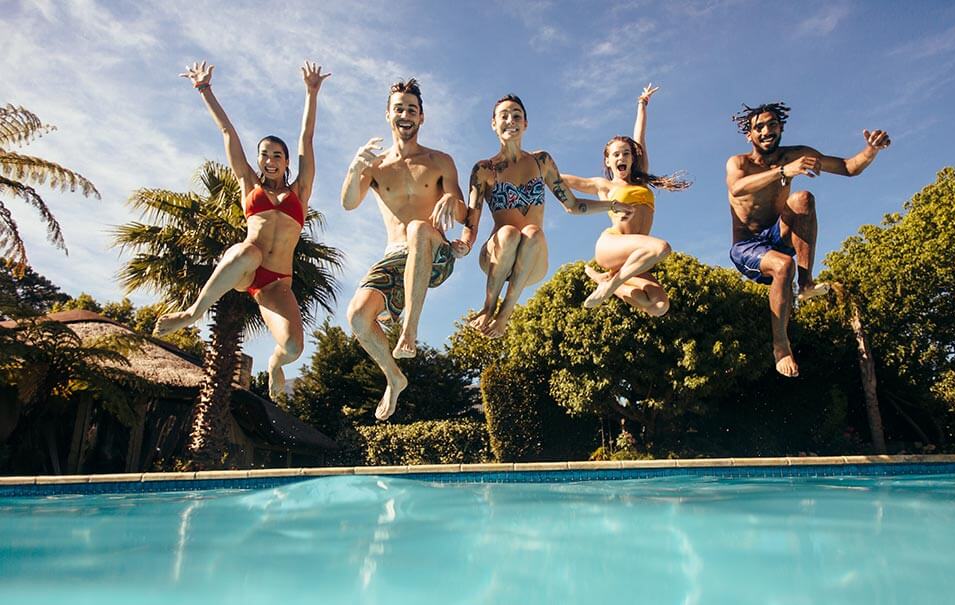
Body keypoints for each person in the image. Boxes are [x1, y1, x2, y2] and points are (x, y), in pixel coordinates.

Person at [155, 60, 330, 399]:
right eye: (264, 155)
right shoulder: (249, 184)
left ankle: (276, 365)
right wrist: (204, 89)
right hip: (246, 268)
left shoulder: (300, 192)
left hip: (276, 283)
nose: (270, 160)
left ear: (286, 161)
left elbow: (307, 138)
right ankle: (194, 312)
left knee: (294, 347)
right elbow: (227, 133)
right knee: (249, 249)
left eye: (277, 155)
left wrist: (312, 92)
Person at [726, 101, 891, 377]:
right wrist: (782, 172)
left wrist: (870, 151)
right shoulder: (739, 163)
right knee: (782, 266)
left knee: (803, 199)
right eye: (759, 127)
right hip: (748, 246)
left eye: (772, 125)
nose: (766, 131)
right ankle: (781, 346)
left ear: (781, 128)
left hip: (778, 233)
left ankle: (805, 284)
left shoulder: (797, 154)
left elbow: (848, 167)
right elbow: (737, 188)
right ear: (750, 135)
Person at [341, 79, 468, 421]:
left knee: (417, 228)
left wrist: (449, 199)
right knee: (357, 316)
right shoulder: (376, 166)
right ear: (388, 115)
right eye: (399, 108)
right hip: (394, 256)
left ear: (422, 117)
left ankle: (409, 329)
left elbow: (463, 210)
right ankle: (394, 376)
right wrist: (355, 169)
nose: (405, 114)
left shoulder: (440, 161)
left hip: (435, 251)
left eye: (412, 109)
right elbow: (349, 202)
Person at [459, 94, 635, 337]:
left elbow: (572, 205)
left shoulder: (541, 161)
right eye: (504, 116)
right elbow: (472, 219)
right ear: (493, 124)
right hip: (495, 256)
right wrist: (464, 244)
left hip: (532, 260)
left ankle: (505, 313)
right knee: (509, 232)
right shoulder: (483, 170)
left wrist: (612, 205)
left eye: (517, 116)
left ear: (525, 124)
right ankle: (488, 308)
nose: (511, 120)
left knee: (531, 232)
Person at [560, 84, 690, 315]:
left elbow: (640, 136)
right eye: (616, 154)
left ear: (633, 158)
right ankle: (613, 283)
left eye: (626, 153)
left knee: (659, 306)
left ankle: (607, 281)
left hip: (633, 258)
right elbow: (565, 180)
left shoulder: (640, 180)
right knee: (662, 247)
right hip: (612, 245)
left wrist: (642, 104)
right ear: (608, 161)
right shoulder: (603, 185)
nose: (622, 157)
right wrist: (535, 168)